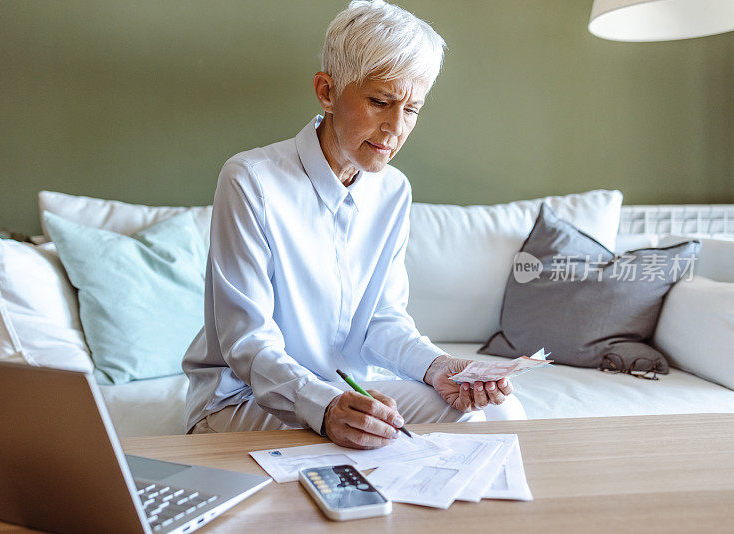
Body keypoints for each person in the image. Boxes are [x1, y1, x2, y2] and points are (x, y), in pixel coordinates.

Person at [183, 0, 526, 449]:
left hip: (347, 393)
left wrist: (439, 367)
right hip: (242, 399)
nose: (394, 128)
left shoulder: (393, 190)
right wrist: (324, 407)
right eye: (380, 101)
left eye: (413, 109)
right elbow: (247, 341)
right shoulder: (251, 180)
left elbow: (382, 319)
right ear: (327, 91)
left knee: (498, 411)